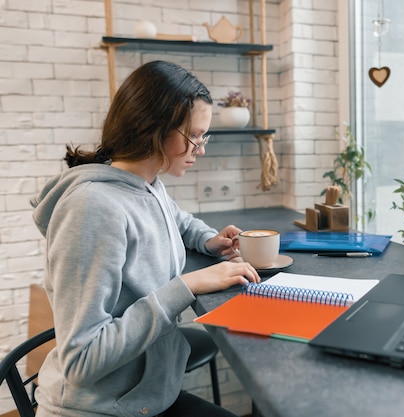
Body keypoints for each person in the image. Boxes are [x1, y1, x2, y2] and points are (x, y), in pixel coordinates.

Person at [30, 60, 260, 417]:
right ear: (154, 129)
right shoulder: (92, 208)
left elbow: (175, 218)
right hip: (97, 410)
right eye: (194, 136)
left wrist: (208, 239)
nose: (201, 148)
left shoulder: (148, 183)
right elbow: (82, 360)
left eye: (204, 135)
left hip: (145, 397)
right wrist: (186, 286)